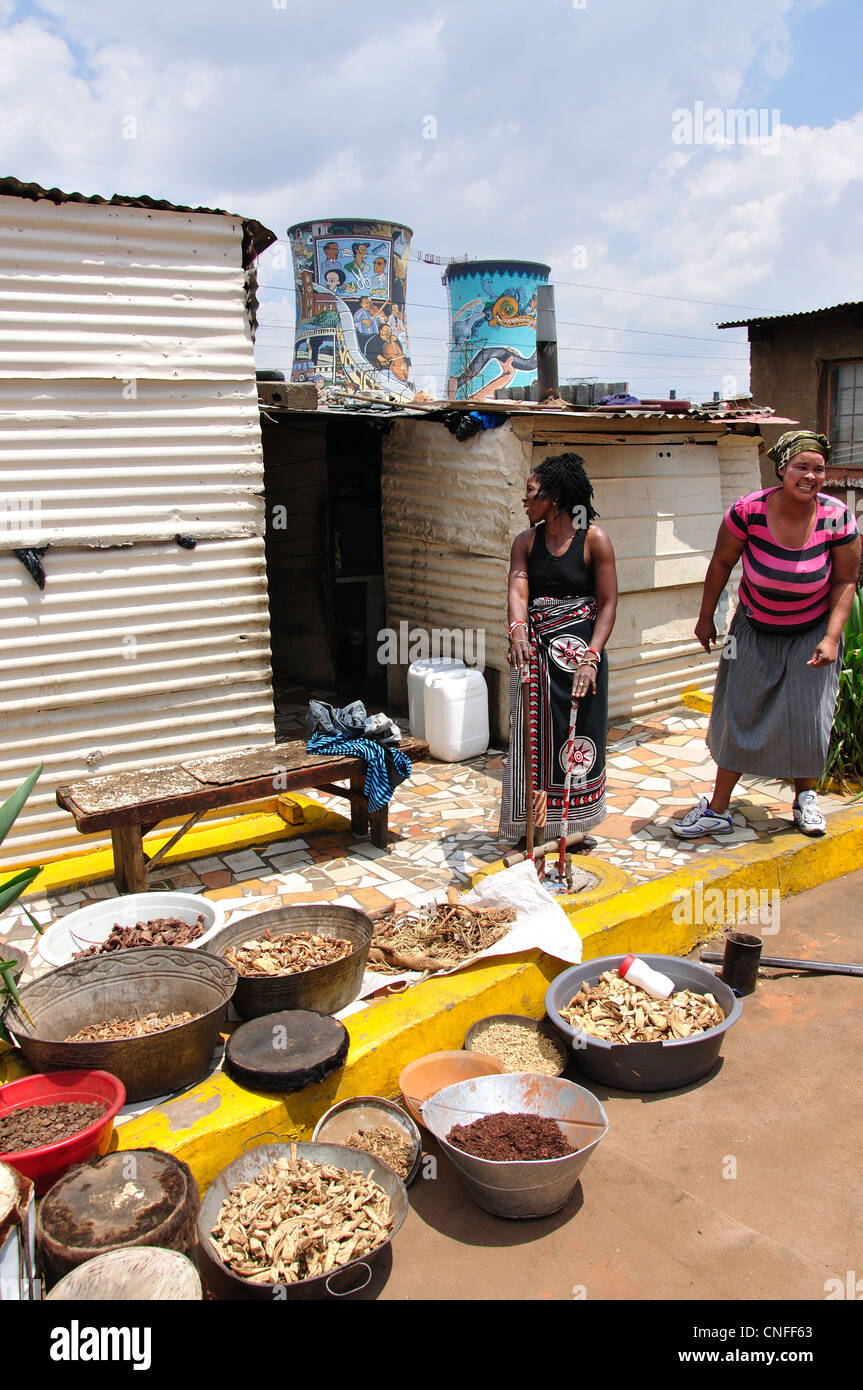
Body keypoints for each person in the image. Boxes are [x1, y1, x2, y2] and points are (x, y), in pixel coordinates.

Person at [671, 429, 861, 840]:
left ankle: (805, 800)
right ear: (781, 469)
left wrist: (830, 637)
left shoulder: (837, 516)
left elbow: (846, 579)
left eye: (818, 469)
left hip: (811, 632)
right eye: (801, 467)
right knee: (740, 712)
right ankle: (718, 807)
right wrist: (706, 618)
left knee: (807, 716)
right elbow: (722, 562)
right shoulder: (748, 511)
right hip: (754, 629)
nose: (810, 476)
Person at [498, 452, 618, 842]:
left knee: (578, 742)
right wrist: (518, 635)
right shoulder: (524, 543)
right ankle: (532, 828)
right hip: (534, 659)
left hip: (580, 662)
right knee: (532, 744)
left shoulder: (594, 540)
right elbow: (518, 590)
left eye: (531, 493)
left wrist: (591, 658)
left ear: (556, 499)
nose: (524, 500)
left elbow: (608, 602)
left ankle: (571, 827)